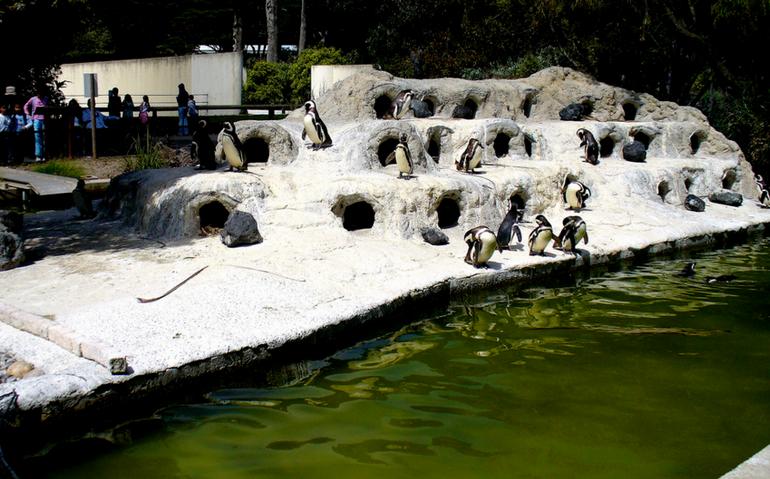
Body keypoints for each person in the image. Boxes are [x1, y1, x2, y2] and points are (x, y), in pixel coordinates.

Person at [23, 86, 47, 162]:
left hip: (44, 119)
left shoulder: (46, 98)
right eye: (39, 94)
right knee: (37, 137)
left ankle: (43, 155)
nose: (40, 95)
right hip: (36, 119)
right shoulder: (33, 99)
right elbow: (26, 106)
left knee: (44, 137)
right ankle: (38, 155)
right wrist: (28, 114)